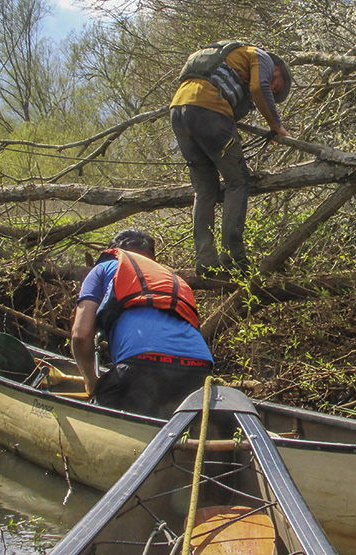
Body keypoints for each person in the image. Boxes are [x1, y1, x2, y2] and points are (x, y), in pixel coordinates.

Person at [170, 40, 293, 277]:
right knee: (238, 182)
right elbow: (259, 89)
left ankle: (205, 262)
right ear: (277, 70)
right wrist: (277, 127)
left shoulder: (230, 58)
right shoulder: (262, 57)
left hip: (178, 110)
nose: (273, 91)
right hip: (209, 110)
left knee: (205, 190)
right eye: (276, 87)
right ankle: (232, 257)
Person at [70, 229, 213, 418]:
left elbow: (80, 335)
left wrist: (90, 382)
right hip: (199, 370)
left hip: (140, 366)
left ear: (114, 250)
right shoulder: (175, 280)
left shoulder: (105, 267)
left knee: (103, 412)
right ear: (152, 259)